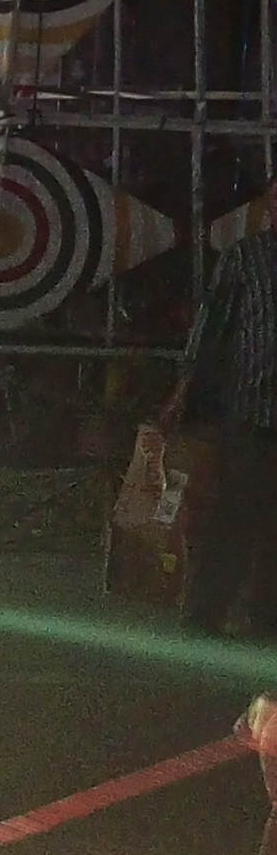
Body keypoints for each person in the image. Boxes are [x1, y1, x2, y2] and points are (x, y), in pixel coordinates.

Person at [165, 216, 277, 631]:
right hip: (252, 406)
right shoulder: (247, 257)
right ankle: (206, 611)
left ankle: (264, 612)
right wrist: (183, 392)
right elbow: (211, 327)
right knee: (236, 514)